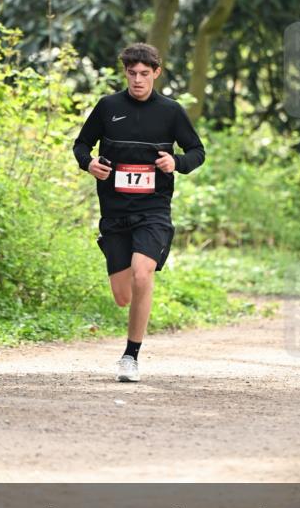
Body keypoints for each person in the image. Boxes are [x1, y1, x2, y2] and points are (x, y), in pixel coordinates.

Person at [72, 42, 205, 382]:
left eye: (145, 74)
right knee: (122, 296)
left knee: (142, 273)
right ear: (126, 73)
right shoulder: (108, 107)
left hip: (153, 209)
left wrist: (177, 162)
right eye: (132, 74)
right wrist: (90, 164)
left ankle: (130, 356)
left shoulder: (171, 111)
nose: (138, 80)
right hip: (115, 212)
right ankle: (124, 272)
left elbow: (197, 151)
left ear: (156, 74)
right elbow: (81, 144)